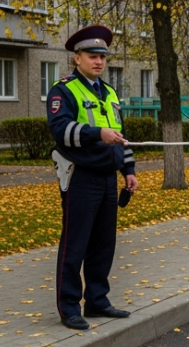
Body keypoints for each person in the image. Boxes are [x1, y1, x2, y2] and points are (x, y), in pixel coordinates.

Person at [46, 25, 138, 330]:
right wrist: (97, 133)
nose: (98, 61)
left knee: (103, 245)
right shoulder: (64, 90)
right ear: (77, 58)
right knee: (76, 244)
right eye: (91, 55)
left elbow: (121, 137)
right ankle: (69, 307)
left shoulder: (110, 93)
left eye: (102, 56)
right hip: (80, 178)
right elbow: (61, 131)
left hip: (108, 179)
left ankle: (97, 300)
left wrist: (129, 170)